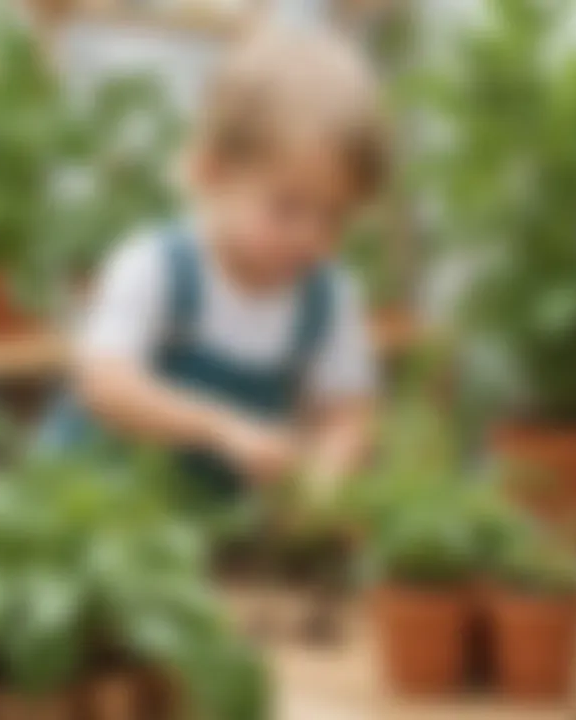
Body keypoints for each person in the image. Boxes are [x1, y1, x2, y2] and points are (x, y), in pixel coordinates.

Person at [42, 27, 387, 503]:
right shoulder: (156, 266)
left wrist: (323, 476)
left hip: (207, 524)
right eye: (286, 208)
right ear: (211, 172)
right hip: (94, 506)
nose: (311, 236)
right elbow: (105, 385)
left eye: (334, 216)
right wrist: (222, 430)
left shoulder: (328, 296)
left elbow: (347, 412)